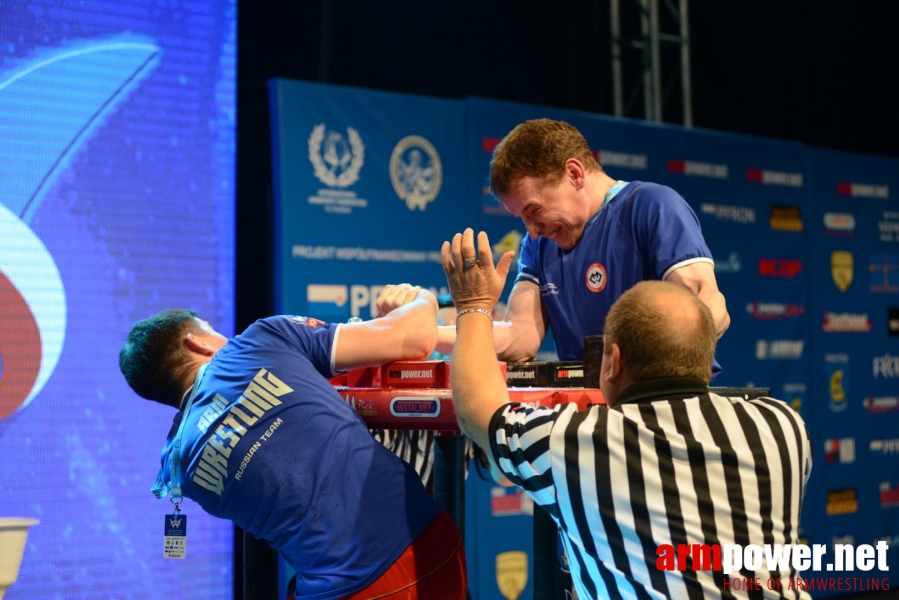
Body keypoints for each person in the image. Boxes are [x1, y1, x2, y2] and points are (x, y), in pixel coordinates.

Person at [441, 229, 812, 599]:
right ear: (703, 357)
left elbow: (477, 410)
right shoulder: (783, 426)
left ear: (613, 362)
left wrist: (474, 305)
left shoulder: (576, 443)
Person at [118, 284, 467, 600]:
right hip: (426, 555)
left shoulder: (179, 472)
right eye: (216, 331)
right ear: (199, 342)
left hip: (339, 591)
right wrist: (423, 298)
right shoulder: (259, 340)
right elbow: (415, 338)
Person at [434, 118, 730, 367]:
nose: (533, 232)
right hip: (591, 417)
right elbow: (520, 337)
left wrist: (644, 367)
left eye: (534, 211)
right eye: (522, 219)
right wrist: (429, 335)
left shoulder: (653, 206)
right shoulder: (538, 245)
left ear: (574, 174)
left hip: (665, 407)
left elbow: (708, 303)